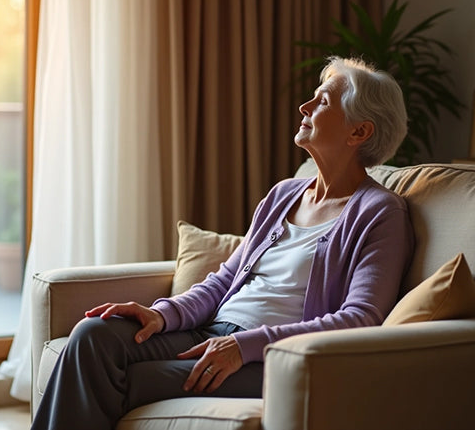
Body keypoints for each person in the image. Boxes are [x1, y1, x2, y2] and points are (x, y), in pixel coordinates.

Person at [31, 56, 416, 429]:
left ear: (359, 132)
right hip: (211, 331)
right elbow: (224, 279)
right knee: (92, 335)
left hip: (268, 359)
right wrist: (162, 314)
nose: (305, 105)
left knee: (137, 378)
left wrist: (244, 346)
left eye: (323, 101)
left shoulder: (381, 212)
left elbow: (360, 319)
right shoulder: (284, 195)